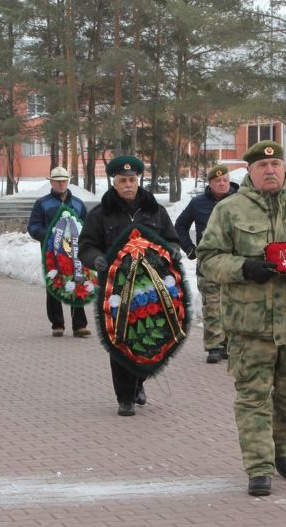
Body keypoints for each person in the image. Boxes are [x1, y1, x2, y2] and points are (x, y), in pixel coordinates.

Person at [197, 141, 286, 497]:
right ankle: (259, 465)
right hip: (250, 325)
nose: (270, 170)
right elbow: (208, 259)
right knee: (253, 397)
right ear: (250, 171)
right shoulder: (229, 211)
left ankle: (281, 448)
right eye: (262, 166)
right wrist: (244, 268)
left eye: (275, 163)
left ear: (284, 168)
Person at [79, 154, 182, 417]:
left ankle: (138, 383)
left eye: (132, 179)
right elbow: (86, 246)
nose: (128, 184)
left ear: (138, 180)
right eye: (122, 180)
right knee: (119, 339)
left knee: (150, 335)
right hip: (115, 288)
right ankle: (124, 396)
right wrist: (97, 259)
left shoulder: (154, 211)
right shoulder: (101, 213)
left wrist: (172, 251)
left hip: (151, 288)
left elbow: (170, 239)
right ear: (114, 182)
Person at [175, 163, 238, 363]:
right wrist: (189, 249)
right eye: (217, 181)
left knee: (234, 303)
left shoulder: (241, 201)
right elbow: (180, 225)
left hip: (235, 261)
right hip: (209, 262)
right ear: (210, 184)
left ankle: (230, 344)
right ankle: (214, 346)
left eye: (225, 180)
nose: (222, 184)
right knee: (212, 304)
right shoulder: (198, 203)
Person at [27, 166, 91, 337]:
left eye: (64, 181)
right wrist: (50, 235)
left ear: (68, 181)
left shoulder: (78, 203)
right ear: (52, 182)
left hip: (75, 254)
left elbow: (87, 226)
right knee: (54, 286)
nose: (61, 184)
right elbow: (33, 227)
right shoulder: (42, 204)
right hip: (51, 254)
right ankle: (57, 324)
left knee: (77, 285)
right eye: (58, 181)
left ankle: (79, 325)